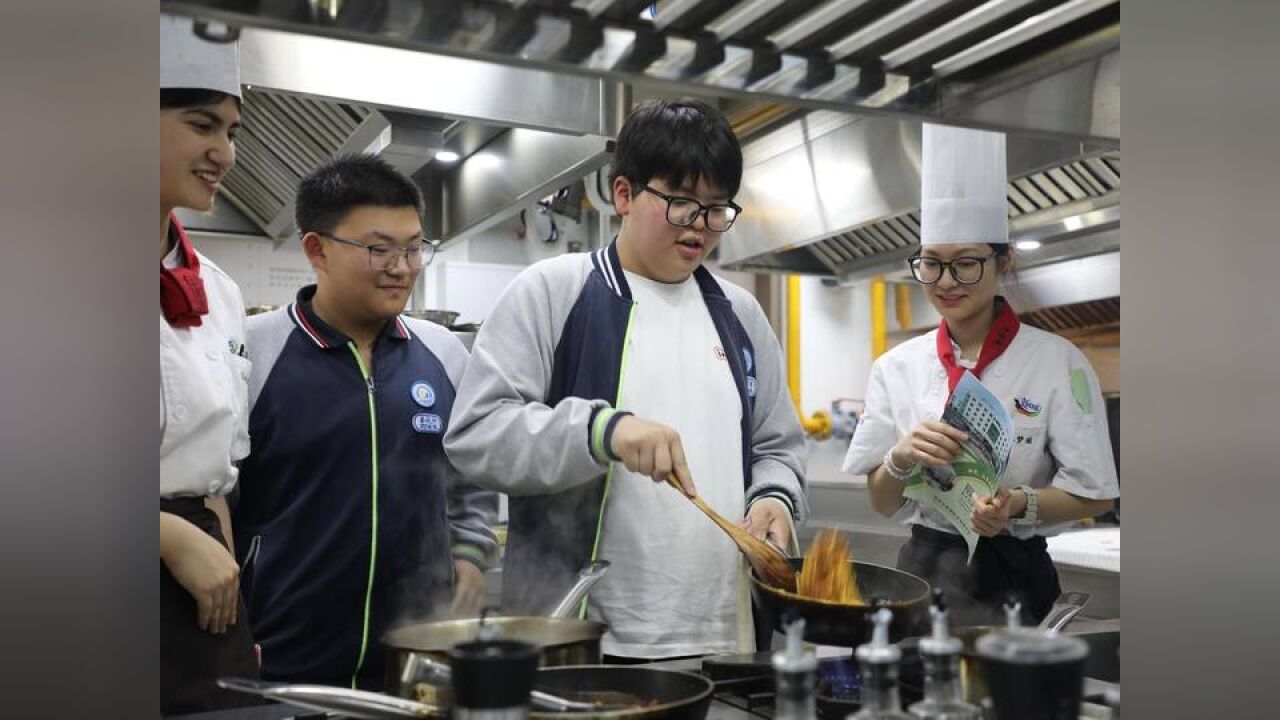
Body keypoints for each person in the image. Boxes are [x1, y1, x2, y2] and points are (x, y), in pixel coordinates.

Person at [444, 99, 807, 660]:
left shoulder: (740, 315)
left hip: (727, 637)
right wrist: (602, 431)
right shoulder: (555, 292)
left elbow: (777, 445)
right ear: (623, 194)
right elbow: (477, 436)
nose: (702, 227)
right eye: (682, 203)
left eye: (717, 209)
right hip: (590, 642)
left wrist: (776, 501)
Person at [231, 155, 499, 689]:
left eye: (413, 247)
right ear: (316, 249)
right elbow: (220, 501)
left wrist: (469, 555)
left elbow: (471, 479)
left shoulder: (442, 353)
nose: (402, 267)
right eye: (379, 249)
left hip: (416, 668)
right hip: (282, 666)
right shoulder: (251, 355)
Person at [842, 124, 1119, 626]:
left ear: (1003, 260)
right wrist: (901, 456)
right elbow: (882, 503)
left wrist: (1016, 505)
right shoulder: (896, 367)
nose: (946, 283)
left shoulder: (1057, 361)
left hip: (1017, 579)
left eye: (966, 264)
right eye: (931, 265)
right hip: (924, 579)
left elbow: (1097, 493)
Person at [158, 14, 259, 714]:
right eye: (202, 125)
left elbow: (214, 468)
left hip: (203, 597)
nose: (224, 152)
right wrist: (163, 535)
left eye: (232, 132)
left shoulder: (218, 292)